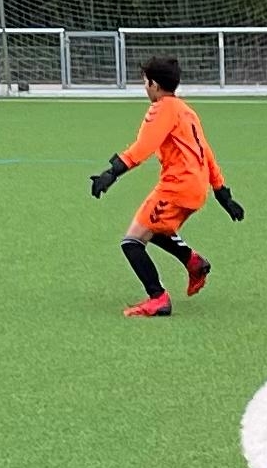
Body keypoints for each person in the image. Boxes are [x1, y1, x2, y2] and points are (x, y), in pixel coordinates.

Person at [89, 56, 246, 317]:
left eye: (145, 82)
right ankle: (193, 262)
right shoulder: (187, 111)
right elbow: (206, 152)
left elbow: (143, 147)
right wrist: (222, 194)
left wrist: (111, 173)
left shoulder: (161, 109)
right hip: (196, 188)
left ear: (155, 84)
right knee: (157, 228)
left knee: (132, 241)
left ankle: (158, 298)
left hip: (177, 188)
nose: (145, 87)